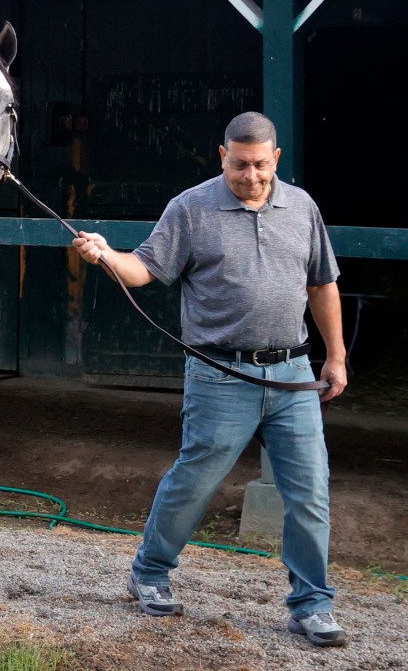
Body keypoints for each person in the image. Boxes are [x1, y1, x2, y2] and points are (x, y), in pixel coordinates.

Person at [72, 111, 349, 648]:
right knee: (196, 479)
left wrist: (334, 357)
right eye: (240, 165)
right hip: (221, 372)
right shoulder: (191, 208)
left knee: (311, 490)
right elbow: (144, 269)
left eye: (261, 165)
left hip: (293, 373)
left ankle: (312, 605)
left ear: (277, 159)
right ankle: (149, 572)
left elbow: (322, 286)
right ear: (222, 155)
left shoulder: (302, 208)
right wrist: (105, 253)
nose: (252, 176)